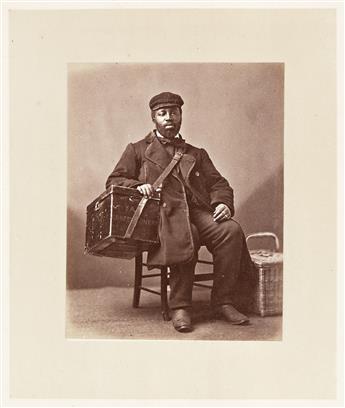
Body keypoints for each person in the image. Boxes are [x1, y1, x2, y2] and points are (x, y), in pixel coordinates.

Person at [106, 91, 254, 333]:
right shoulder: (137, 150)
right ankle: (180, 306)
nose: (169, 118)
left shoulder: (196, 152)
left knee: (230, 230)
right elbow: (114, 180)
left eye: (173, 112)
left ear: (181, 115)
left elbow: (219, 183)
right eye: (162, 114)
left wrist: (222, 204)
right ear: (153, 119)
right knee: (186, 233)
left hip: (196, 210)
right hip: (162, 215)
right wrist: (137, 186)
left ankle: (224, 301)